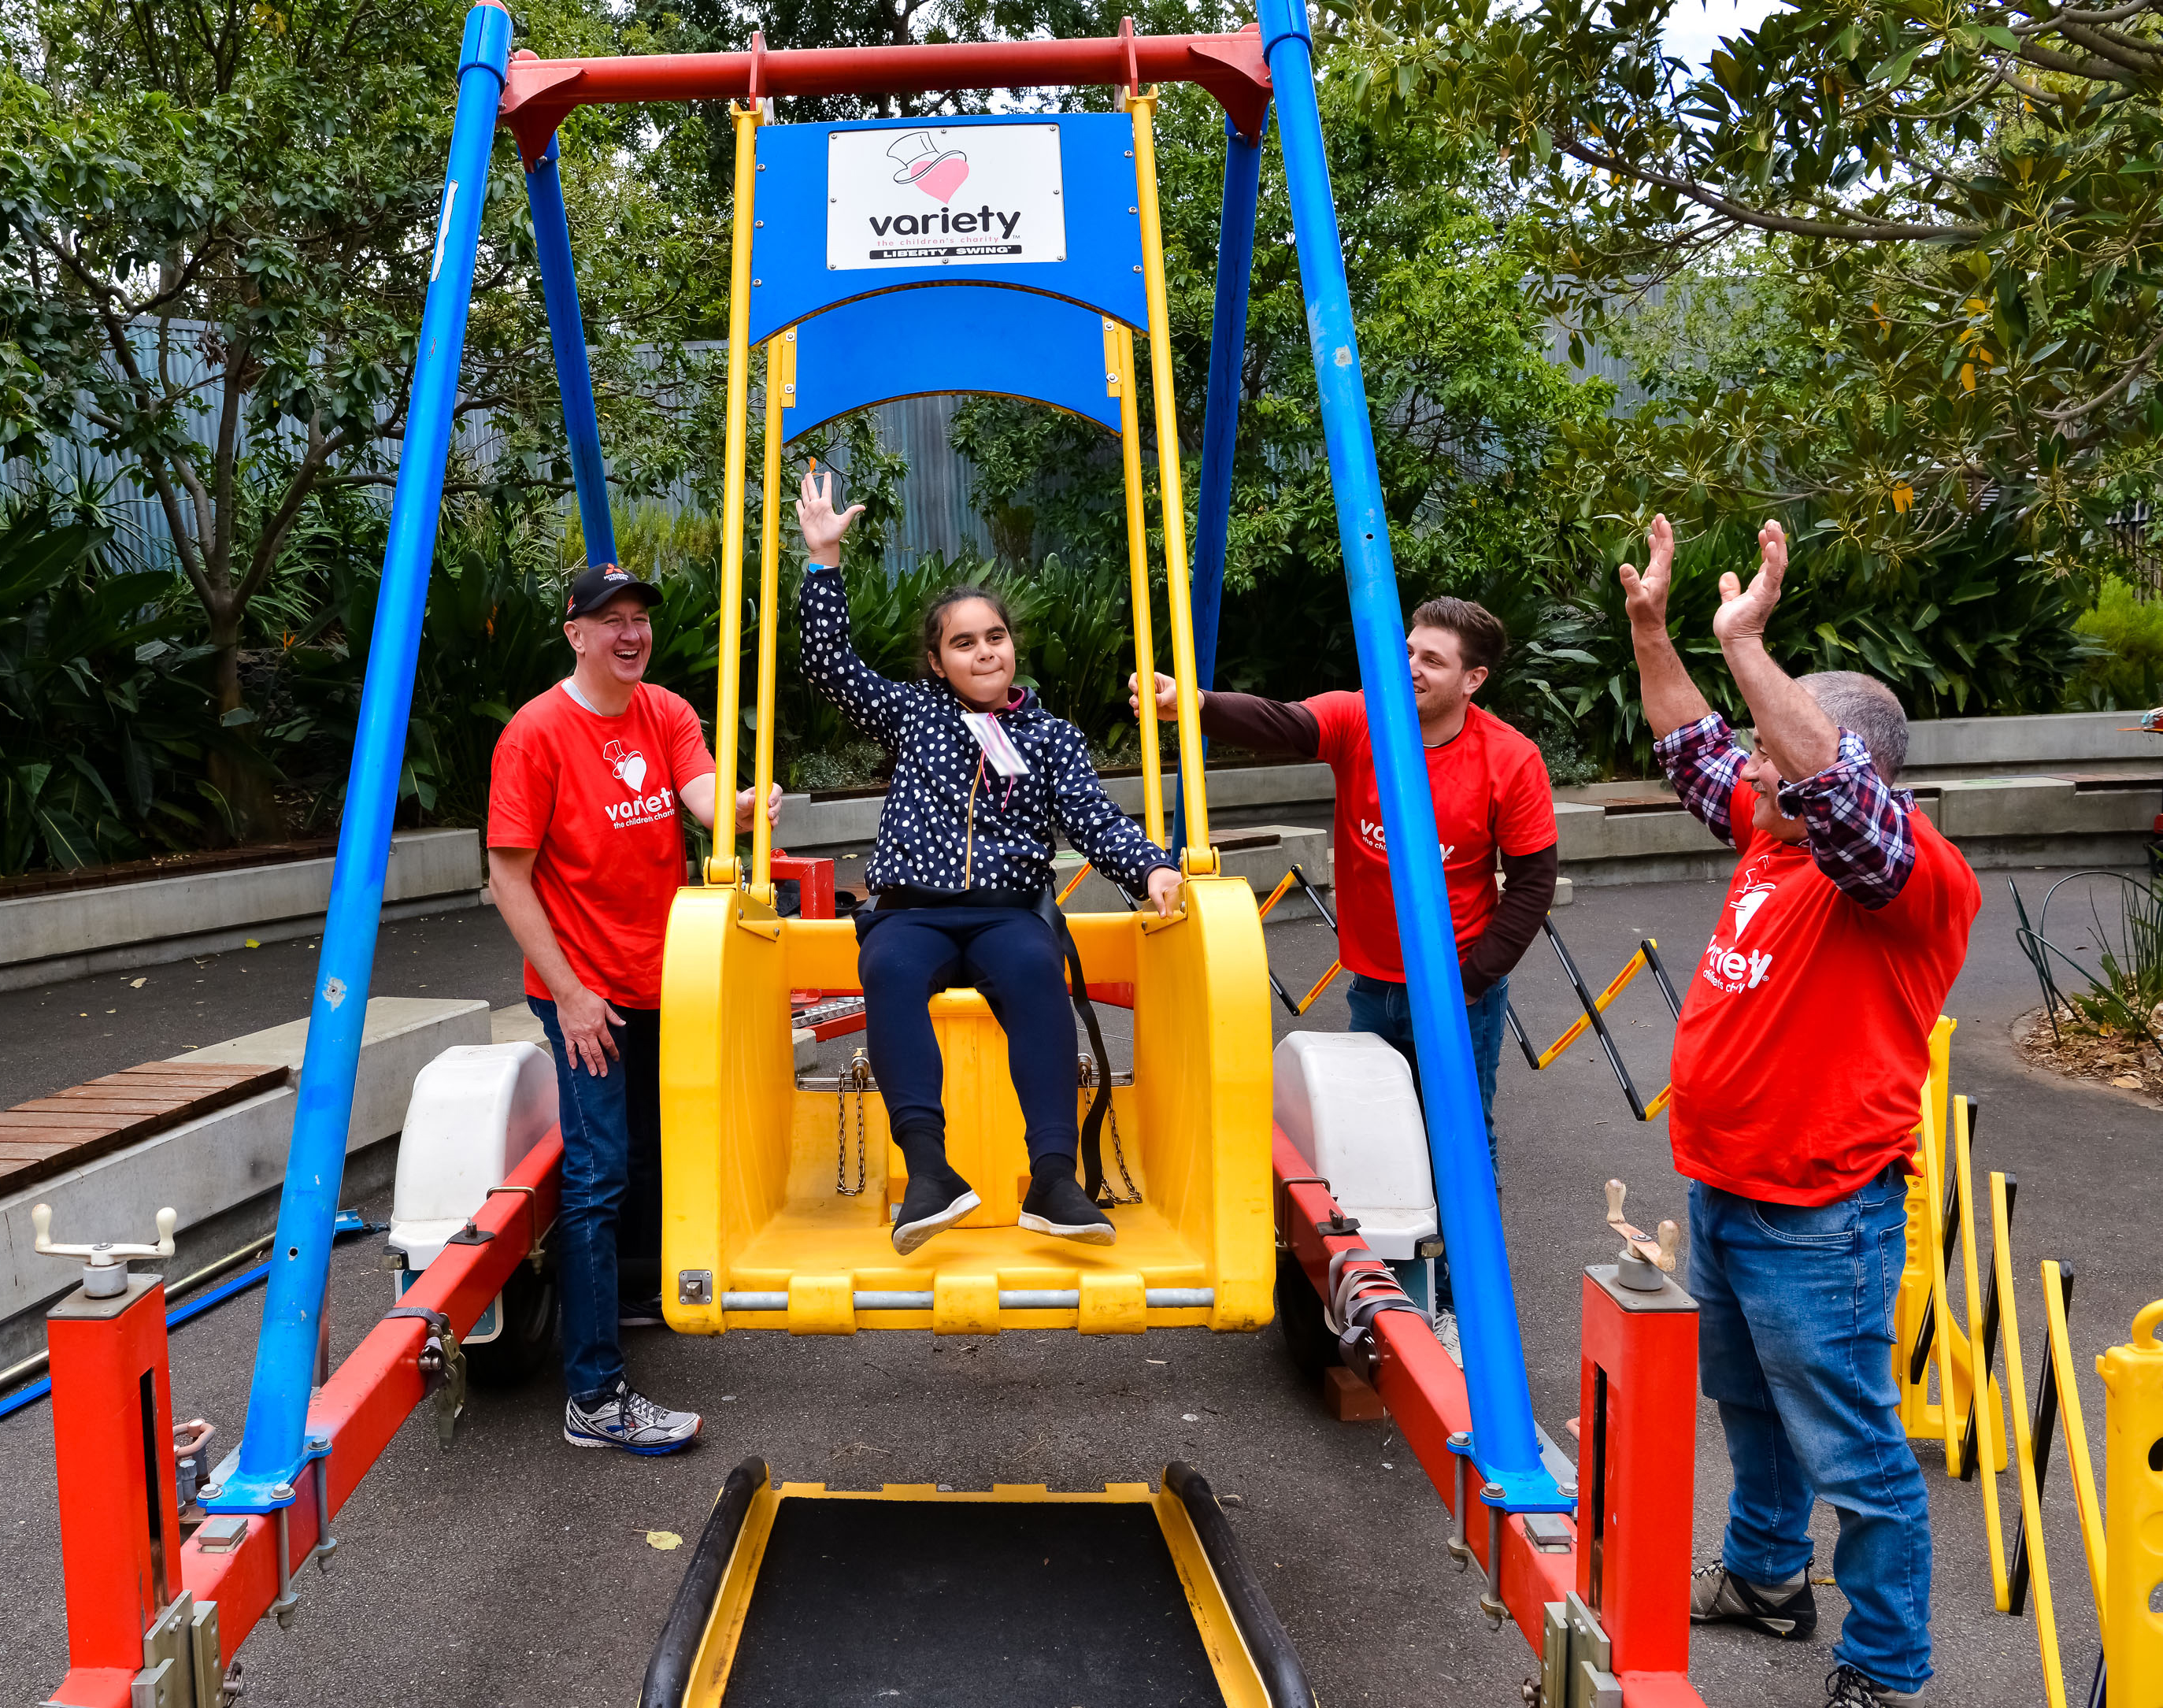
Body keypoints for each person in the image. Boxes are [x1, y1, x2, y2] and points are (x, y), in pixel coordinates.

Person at [1627, 515, 1973, 1708]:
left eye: (1772, 758)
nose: (1750, 775)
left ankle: (1884, 1666)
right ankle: (1768, 1577)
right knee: (1748, 1405)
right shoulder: (1773, 829)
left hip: (1820, 1214)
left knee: (1857, 1454)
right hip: (1726, 1186)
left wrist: (1742, 646)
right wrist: (1650, 630)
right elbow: (1688, 747)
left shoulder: (1904, 870)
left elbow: (1819, 780)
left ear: (1846, 768)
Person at [1136, 595, 1557, 1349]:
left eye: (1432, 658)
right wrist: (1191, 703)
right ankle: (1388, 1286)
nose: (1410, 666)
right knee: (1374, 1133)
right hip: (1372, 980)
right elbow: (1286, 722)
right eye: (1407, 649)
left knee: (1459, 1137)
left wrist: (1471, 979)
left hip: (1456, 991)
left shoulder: (1509, 757)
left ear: (1474, 680)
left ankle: (1465, 1303)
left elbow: (1531, 880)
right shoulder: (1365, 718)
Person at [795, 468, 1180, 1253]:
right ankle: (930, 1173)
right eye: (963, 642)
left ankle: (1053, 1177)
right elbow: (830, 668)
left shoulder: (1047, 736)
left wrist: (1149, 869)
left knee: (1038, 972)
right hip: (914, 909)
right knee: (891, 971)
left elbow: (1092, 819)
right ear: (936, 662)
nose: (983, 652)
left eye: (994, 637)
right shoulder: (911, 713)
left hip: (1008, 911)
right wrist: (823, 564)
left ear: (1012, 647)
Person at [486, 561, 777, 1455]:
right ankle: (593, 1393)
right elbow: (507, 876)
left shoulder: (666, 713)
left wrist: (736, 808)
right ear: (574, 633)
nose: (630, 632)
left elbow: (697, 800)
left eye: (640, 616)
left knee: (653, 1155)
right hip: (589, 997)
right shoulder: (536, 734)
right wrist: (570, 996)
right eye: (609, 618)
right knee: (598, 1176)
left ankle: (633, 1299)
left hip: (668, 981)